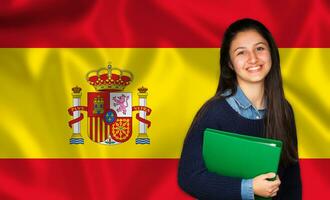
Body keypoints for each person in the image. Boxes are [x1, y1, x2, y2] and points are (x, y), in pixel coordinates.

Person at [178, 18, 302, 200]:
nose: (253, 58)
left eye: (260, 48)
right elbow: (189, 177)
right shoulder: (214, 112)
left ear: (272, 53)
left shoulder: (284, 110)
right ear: (229, 63)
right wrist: (249, 187)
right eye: (241, 52)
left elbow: (291, 181)